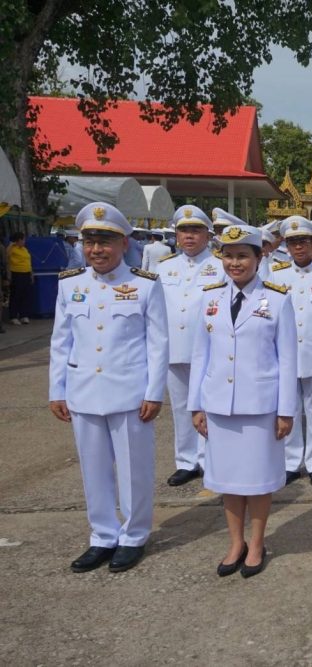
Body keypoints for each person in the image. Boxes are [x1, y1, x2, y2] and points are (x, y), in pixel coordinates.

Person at [48, 202, 168, 573]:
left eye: (105, 242)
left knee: (134, 471)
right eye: (90, 242)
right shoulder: (70, 284)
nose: (97, 250)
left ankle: (133, 536)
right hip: (83, 391)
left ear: (123, 243)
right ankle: (102, 535)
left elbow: (158, 343)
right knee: (93, 470)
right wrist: (57, 390)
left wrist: (154, 392)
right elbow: (61, 341)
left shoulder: (144, 285)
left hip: (130, 393)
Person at [189, 222, 297, 578]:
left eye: (242, 256)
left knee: (258, 479)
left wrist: (286, 411)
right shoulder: (209, 298)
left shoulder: (278, 299)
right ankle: (236, 542)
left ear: (258, 257)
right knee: (227, 480)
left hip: (260, 405)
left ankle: (257, 542)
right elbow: (200, 355)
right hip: (219, 404)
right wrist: (196, 404)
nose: (235, 263)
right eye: (229, 256)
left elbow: (287, 359)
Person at [269, 217, 312, 487]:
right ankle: (291, 462)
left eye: (304, 242)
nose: (298, 247)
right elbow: (270, 316)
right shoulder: (276, 274)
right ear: (286, 246)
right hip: (286, 356)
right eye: (293, 242)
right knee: (289, 408)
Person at [159, 205, 225, 487]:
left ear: (208, 235)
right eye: (183, 230)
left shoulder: (221, 266)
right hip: (174, 347)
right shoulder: (163, 267)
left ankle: (209, 459)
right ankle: (186, 461)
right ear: (176, 235)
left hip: (209, 350)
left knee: (208, 406)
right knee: (180, 408)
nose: (189, 236)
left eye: (195, 230)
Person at [6, 231, 33, 325]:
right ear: (18, 240)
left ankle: (23, 315)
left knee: (25, 295)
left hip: (26, 273)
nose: (24, 241)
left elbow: (28, 262)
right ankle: (13, 316)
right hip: (16, 274)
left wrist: (31, 274)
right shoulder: (12, 249)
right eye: (23, 239)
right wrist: (11, 244)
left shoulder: (24, 249)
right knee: (16, 295)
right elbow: (6, 256)